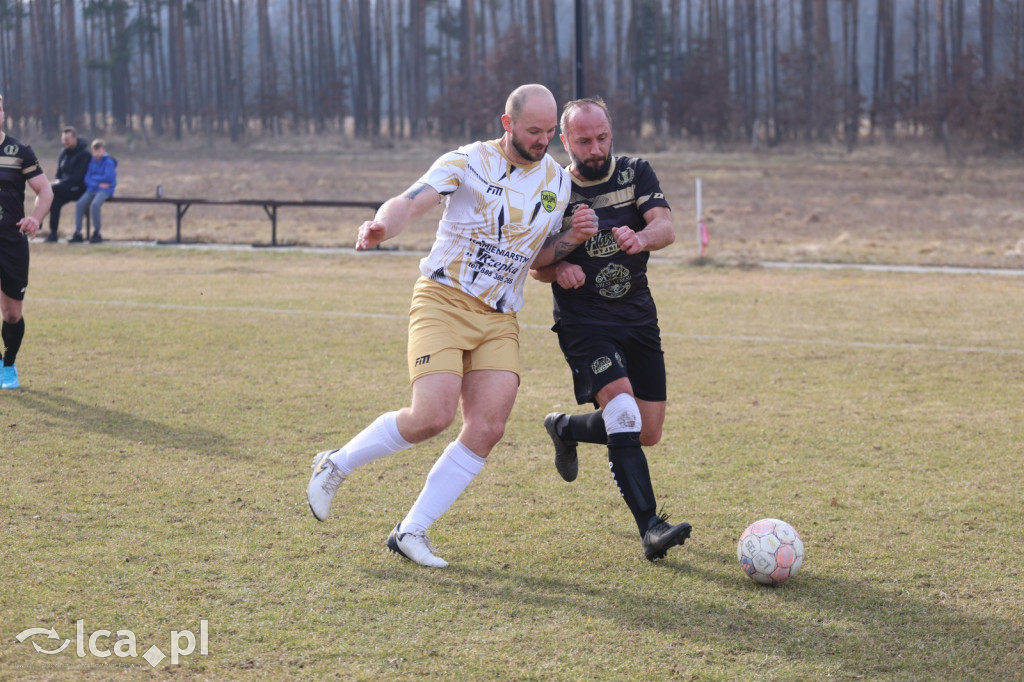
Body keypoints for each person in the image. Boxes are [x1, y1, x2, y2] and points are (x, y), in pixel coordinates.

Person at [306, 84, 597, 568]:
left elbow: (537, 258)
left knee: (488, 427)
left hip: (499, 317)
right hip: (443, 300)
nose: (543, 140)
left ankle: (411, 530)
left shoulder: (556, 182)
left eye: (550, 132)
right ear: (507, 123)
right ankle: (335, 464)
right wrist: (381, 226)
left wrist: (570, 240)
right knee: (431, 417)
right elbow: (410, 201)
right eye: (533, 130)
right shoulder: (467, 161)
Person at [530, 96, 691, 562]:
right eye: (584, 141)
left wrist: (640, 237)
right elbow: (535, 262)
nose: (596, 148)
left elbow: (665, 227)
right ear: (565, 141)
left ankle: (565, 427)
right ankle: (651, 528)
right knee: (622, 410)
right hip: (585, 323)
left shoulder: (635, 172)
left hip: (638, 318)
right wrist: (560, 266)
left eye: (602, 138)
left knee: (648, 430)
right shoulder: (551, 188)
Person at [0, 94, 53, 390]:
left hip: (11, 240)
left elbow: (45, 191)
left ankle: (8, 364)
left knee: (12, 313)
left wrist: (35, 217)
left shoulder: (19, 151)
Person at [44, 126, 91, 242]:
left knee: (50, 189)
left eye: (67, 140)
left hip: (79, 188)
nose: (64, 142)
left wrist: (57, 183)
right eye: (63, 140)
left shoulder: (85, 154)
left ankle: (38, 220)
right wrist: (58, 182)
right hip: (65, 188)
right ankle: (53, 233)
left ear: (75, 138)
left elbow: (77, 177)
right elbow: (58, 174)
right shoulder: (63, 153)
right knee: (54, 200)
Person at [71, 139, 117, 244]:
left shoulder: (109, 162)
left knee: (95, 204)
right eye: (95, 151)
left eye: (99, 150)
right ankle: (78, 232)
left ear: (103, 150)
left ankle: (97, 232)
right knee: (80, 204)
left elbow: (108, 177)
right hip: (92, 189)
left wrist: (94, 179)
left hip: (106, 190)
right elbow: (87, 179)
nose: (97, 153)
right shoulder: (92, 162)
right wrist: (97, 183)